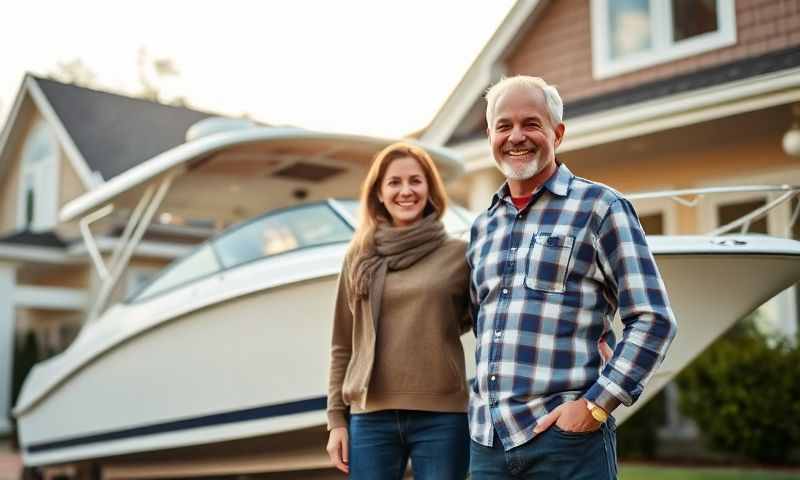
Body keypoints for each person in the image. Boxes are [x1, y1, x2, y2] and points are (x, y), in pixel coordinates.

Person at [466, 75, 678, 479]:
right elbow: (483, 325)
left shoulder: (601, 207)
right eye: (504, 126)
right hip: (487, 446)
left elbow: (653, 318)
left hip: (567, 444)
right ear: (489, 135)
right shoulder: (482, 228)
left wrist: (597, 405)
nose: (516, 137)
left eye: (531, 124)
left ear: (557, 133)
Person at [326, 142, 471, 479]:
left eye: (415, 181)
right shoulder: (359, 256)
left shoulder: (460, 254)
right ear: (378, 192)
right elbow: (343, 343)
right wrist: (336, 420)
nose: (406, 191)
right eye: (394, 182)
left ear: (430, 190)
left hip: (442, 417)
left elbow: (480, 322)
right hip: (370, 417)